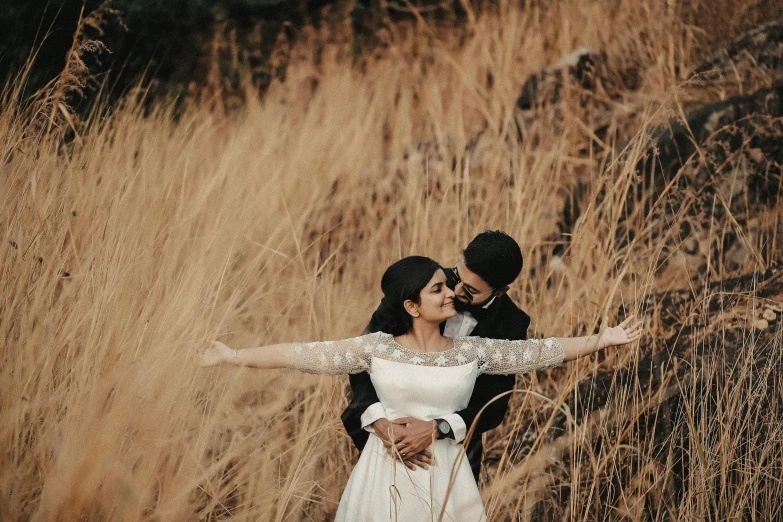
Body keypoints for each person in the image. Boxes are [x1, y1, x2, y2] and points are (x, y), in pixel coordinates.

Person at [201, 256, 641, 521]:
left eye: (447, 284)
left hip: (449, 473)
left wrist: (603, 339)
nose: (451, 292)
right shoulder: (375, 347)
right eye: (439, 288)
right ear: (411, 306)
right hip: (383, 474)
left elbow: (542, 352)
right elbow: (301, 354)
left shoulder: (472, 350)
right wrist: (234, 356)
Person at [343, 231, 531, 480]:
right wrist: (380, 423)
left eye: (471, 290)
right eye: (456, 276)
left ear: (499, 291)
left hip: (454, 450)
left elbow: (493, 405)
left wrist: (437, 429)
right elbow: (362, 356)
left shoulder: (512, 325)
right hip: (385, 437)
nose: (455, 291)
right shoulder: (420, 281)